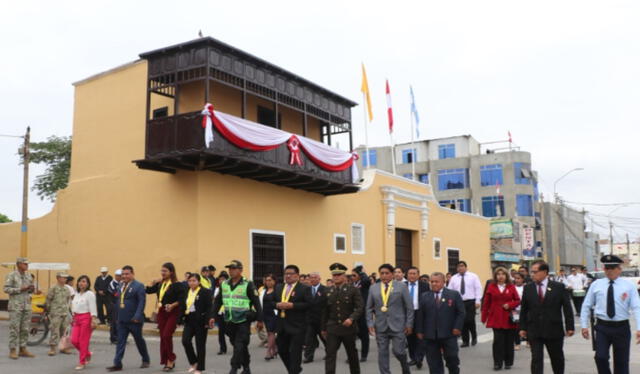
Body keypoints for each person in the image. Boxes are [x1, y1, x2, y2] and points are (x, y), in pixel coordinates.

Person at [580, 255, 640, 374]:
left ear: (619, 269)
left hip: (621, 328)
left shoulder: (629, 286)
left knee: (621, 363)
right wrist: (584, 325)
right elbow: (586, 305)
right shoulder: (596, 284)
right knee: (600, 357)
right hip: (603, 327)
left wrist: (639, 328)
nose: (609, 271)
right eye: (607, 268)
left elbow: (637, 307)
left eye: (612, 268)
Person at [519, 260, 574, 374]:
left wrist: (570, 326)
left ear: (544, 272)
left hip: (553, 329)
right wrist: (522, 328)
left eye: (535, 272)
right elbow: (524, 309)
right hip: (534, 330)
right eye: (531, 272)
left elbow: (567, 308)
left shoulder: (559, 287)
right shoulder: (528, 288)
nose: (532, 274)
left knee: (557, 358)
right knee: (536, 359)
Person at [212, 260, 263, 374]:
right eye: (230, 268)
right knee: (238, 346)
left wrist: (260, 319)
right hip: (229, 321)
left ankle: (233, 368)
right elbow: (217, 302)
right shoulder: (224, 284)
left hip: (243, 320)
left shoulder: (248, 284)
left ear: (240, 270)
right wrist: (212, 316)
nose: (231, 271)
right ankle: (246, 368)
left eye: (234, 268)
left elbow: (257, 303)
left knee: (240, 345)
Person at [366, 263, 413, 374]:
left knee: (398, 352)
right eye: (382, 273)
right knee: (382, 353)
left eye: (387, 273)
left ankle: (405, 366)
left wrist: (409, 324)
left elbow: (409, 307)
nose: (384, 276)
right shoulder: (373, 288)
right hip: (381, 326)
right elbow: (368, 308)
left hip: (398, 325)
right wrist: (370, 324)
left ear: (392, 274)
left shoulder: (401, 286)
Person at [415, 272, 465, 374]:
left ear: (443, 282)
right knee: (433, 363)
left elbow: (461, 313)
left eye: (436, 281)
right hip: (430, 335)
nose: (433, 284)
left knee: (452, 358)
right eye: (432, 281)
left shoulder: (453, 294)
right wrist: (419, 330)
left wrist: (457, 327)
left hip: (449, 334)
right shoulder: (424, 296)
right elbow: (420, 315)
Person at [321, 263, 363, 374]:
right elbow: (324, 311)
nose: (336, 277)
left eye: (339, 275)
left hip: (348, 328)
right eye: (334, 275)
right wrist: (323, 328)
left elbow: (359, 307)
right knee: (330, 354)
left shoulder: (353, 290)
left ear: (344, 276)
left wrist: (351, 318)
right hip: (332, 327)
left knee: (352, 354)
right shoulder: (328, 291)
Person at [107, 265, 150, 372]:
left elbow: (141, 302)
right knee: (120, 342)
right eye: (123, 274)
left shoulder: (139, 286)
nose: (124, 276)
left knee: (139, 340)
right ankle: (117, 364)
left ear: (132, 274)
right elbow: (118, 301)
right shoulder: (120, 285)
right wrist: (116, 316)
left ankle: (145, 359)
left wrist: (137, 316)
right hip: (121, 320)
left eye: (127, 274)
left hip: (134, 320)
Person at [146, 262, 186, 371]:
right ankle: (167, 360)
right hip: (162, 312)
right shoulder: (161, 283)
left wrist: (173, 305)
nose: (162, 273)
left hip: (173, 312)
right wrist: (151, 283)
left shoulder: (177, 284)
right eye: (162, 271)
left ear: (171, 272)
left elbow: (182, 300)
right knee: (163, 337)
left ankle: (171, 359)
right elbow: (148, 291)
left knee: (167, 335)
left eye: (165, 271)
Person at [481, 267, 520, 370]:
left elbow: (517, 300)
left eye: (503, 274)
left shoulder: (511, 287)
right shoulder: (491, 287)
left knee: (509, 340)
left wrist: (510, 305)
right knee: (498, 341)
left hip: (508, 317)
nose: (500, 276)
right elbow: (486, 303)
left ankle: (508, 362)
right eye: (498, 274)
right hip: (496, 317)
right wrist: (484, 317)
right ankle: (497, 363)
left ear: (506, 276)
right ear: (495, 276)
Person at [275, 264, 312, 374]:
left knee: (295, 353)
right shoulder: (279, 287)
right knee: (282, 350)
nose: (288, 276)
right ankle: (294, 370)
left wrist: (293, 306)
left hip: (297, 326)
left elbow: (309, 304)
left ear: (297, 275)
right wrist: (277, 304)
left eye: (291, 274)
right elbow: (270, 302)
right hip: (282, 325)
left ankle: (294, 371)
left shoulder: (304, 288)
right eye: (286, 274)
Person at [181, 273, 215, 374]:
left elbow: (209, 307)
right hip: (189, 320)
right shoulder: (186, 291)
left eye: (194, 281)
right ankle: (193, 362)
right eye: (190, 281)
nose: (191, 283)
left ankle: (200, 368)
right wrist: (179, 319)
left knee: (200, 345)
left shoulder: (205, 292)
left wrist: (208, 320)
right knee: (185, 341)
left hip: (201, 321)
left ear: (199, 282)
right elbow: (183, 306)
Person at [4, 257, 35, 359]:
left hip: (27, 305)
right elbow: (6, 289)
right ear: (18, 264)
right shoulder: (11, 275)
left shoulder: (29, 276)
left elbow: (30, 290)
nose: (27, 266)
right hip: (16, 306)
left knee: (25, 328)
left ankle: (23, 349)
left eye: (27, 264)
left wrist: (31, 289)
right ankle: (12, 350)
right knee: (15, 328)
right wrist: (19, 289)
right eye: (25, 264)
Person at [447, 261, 482, 347]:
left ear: (466, 267)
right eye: (458, 266)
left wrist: (478, 301)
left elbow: (478, 288)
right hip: (458, 302)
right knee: (462, 321)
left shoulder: (473, 276)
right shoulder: (454, 278)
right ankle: (465, 341)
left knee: (470, 320)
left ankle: (474, 337)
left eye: (462, 266)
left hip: (470, 301)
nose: (460, 268)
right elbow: (449, 290)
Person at [70, 275, 98, 370]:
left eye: (84, 281)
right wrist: (72, 317)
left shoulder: (90, 294)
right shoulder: (76, 293)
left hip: (86, 318)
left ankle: (82, 362)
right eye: (80, 281)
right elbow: (74, 306)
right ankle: (87, 353)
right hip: (76, 318)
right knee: (74, 340)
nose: (82, 283)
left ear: (88, 284)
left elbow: (93, 307)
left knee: (83, 341)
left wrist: (93, 320)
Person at [405, 266, 429, 369]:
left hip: (420, 314)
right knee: (410, 338)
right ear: (407, 275)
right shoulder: (402, 286)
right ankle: (413, 357)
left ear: (418, 275)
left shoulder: (425, 286)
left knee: (420, 337)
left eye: (414, 273)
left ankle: (419, 358)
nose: (412, 275)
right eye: (410, 273)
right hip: (407, 315)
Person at [45, 272, 73, 356]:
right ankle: (53, 348)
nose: (65, 279)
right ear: (58, 278)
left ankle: (63, 347)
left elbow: (68, 300)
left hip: (64, 312)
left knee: (64, 331)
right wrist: (51, 311)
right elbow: (48, 300)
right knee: (54, 330)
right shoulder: (53, 288)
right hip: (55, 313)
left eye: (65, 278)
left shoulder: (67, 289)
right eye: (63, 277)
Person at [303, 272, 327, 363]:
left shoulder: (325, 289)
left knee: (324, 338)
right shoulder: (307, 290)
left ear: (319, 279)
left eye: (314, 277)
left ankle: (330, 353)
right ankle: (308, 357)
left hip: (321, 319)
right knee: (309, 339)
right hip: (310, 320)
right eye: (311, 278)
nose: (312, 279)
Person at [351, 265, 371, 362]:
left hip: (362, 312)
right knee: (352, 334)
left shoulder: (364, 283)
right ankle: (352, 355)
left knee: (364, 335)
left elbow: (367, 280)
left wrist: (361, 272)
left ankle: (364, 354)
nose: (352, 277)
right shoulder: (352, 285)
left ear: (359, 276)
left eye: (354, 275)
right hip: (353, 312)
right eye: (351, 275)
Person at [260, 273, 278, 360]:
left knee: (271, 333)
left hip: (273, 314)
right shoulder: (264, 291)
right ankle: (274, 350)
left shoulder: (277, 291)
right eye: (266, 280)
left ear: (274, 281)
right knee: (269, 333)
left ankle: (268, 352)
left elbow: (279, 302)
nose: (268, 282)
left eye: (270, 280)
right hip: (265, 314)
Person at [213, 271, 230, 355]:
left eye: (223, 279)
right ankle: (222, 349)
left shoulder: (230, 288)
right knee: (221, 331)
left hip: (229, 312)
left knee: (228, 330)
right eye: (220, 279)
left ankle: (237, 341)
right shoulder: (218, 289)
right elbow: (216, 302)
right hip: (220, 312)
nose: (221, 281)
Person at [108, 269, 122, 344]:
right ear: (116, 276)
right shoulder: (112, 283)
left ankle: (120, 337)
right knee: (114, 322)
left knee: (120, 322)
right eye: (119, 276)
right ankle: (113, 338)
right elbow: (115, 294)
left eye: (121, 276)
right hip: (113, 305)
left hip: (121, 305)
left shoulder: (122, 283)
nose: (120, 277)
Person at [512, 273, 526, 350]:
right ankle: (517, 343)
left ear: (522, 279)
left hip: (525, 310)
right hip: (515, 310)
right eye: (516, 278)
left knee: (526, 326)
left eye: (519, 278)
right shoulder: (512, 288)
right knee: (516, 327)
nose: (517, 280)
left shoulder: (526, 287)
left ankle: (528, 341)